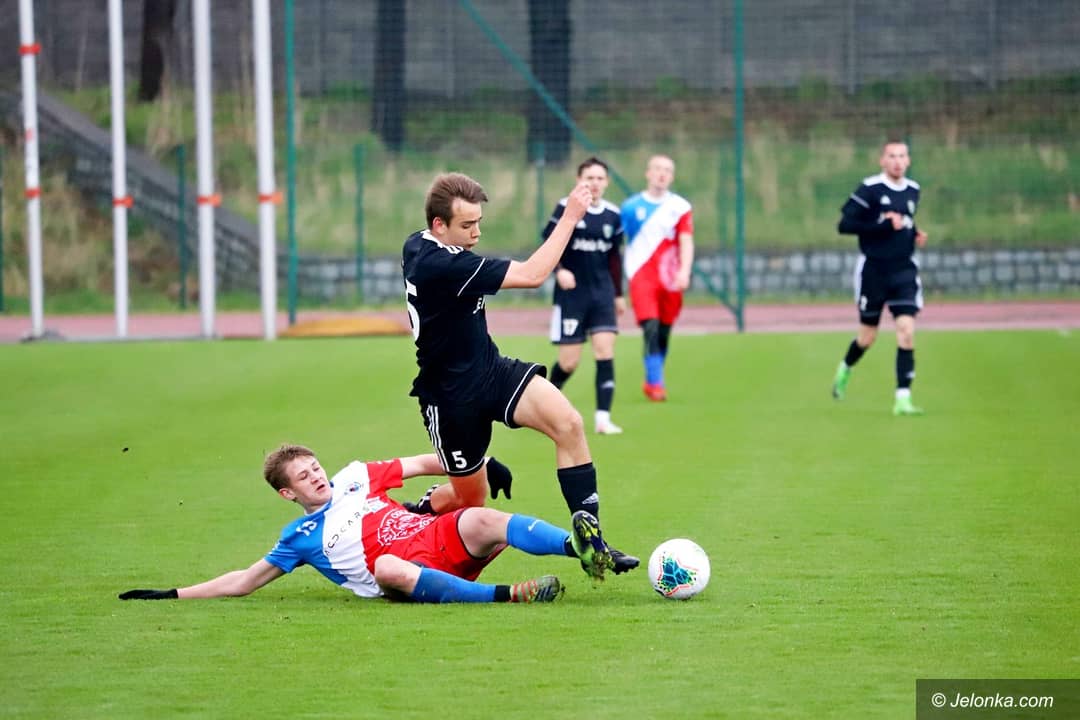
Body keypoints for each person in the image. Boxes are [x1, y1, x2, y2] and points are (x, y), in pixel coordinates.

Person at [402, 172, 639, 574]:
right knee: (469, 501)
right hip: (450, 398)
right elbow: (532, 275)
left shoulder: (418, 242)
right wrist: (571, 216)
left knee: (568, 423)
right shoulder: (441, 265)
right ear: (439, 225)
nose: (476, 233)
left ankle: (592, 541)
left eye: (479, 222)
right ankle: (422, 509)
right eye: (467, 225)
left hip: (491, 370)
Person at [118, 444, 615, 604]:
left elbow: (422, 461)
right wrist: (175, 594)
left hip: (434, 538)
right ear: (288, 494)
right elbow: (245, 582)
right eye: (304, 477)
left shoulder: (355, 477)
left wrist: (480, 463)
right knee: (387, 568)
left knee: (479, 516)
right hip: (405, 575)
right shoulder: (298, 539)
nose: (317, 477)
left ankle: (584, 549)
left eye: (315, 467)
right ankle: (511, 596)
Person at [831, 139, 928, 416]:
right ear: (882, 161)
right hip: (873, 271)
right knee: (867, 337)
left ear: (908, 161)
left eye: (902, 156)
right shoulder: (870, 189)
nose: (897, 161)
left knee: (906, 331)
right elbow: (844, 225)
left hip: (904, 270)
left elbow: (906, 220)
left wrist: (914, 233)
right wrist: (882, 225)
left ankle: (903, 399)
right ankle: (846, 367)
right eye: (892, 156)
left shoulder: (913, 190)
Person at [544, 157, 626, 435]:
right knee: (569, 362)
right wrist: (559, 270)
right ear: (579, 180)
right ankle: (544, 400)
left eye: (600, 178)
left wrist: (618, 295)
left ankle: (603, 419)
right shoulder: (565, 207)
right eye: (589, 178)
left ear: (607, 182)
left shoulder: (613, 215)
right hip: (572, 296)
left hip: (602, 294)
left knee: (605, 351)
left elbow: (614, 258)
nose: (595, 183)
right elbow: (549, 243)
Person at [619, 155, 694, 402]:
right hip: (641, 276)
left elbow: (686, 240)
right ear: (648, 173)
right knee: (649, 326)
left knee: (663, 330)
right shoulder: (630, 208)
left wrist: (684, 271)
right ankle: (655, 383)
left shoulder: (680, 207)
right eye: (658, 169)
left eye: (667, 170)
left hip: (669, 278)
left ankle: (653, 375)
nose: (662, 174)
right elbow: (617, 241)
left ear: (672, 177)